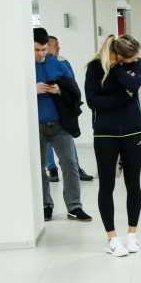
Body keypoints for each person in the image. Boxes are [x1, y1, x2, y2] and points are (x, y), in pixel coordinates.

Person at [84, 34, 141, 256]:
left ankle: (132, 235)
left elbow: (133, 85)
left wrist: (117, 69)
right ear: (119, 55)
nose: (137, 59)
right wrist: (124, 97)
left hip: (133, 130)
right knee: (106, 185)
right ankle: (112, 238)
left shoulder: (137, 64)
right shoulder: (94, 68)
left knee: (133, 183)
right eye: (132, 56)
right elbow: (92, 101)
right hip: (105, 133)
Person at [34, 27, 92, 223]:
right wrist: (31, 90)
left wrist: (59, 90)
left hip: (60, 124)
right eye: (36, 50)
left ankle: (74, 206)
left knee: (70, 163)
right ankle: (45, 205)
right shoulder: (22, 66)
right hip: (35, 126)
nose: (41, 54)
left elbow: (74, 92)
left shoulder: (59, 65)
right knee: (38, 167)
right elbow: (10, 94)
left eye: (44, 49)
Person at [45, 35, 93, 182]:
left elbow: (71, 84)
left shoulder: (62, 62)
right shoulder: (35, 64)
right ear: (47, 46)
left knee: (68, 138)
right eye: (55, 45)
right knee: (46, 141)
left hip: (63, 108)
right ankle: (52, 169)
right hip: (46, 110)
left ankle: (76, 168)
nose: (58, 47)